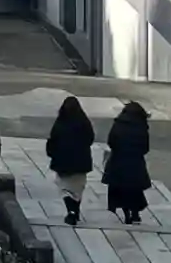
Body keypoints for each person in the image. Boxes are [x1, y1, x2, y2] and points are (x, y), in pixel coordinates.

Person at [45, 95, 95, 227]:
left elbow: (53, 140)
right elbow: (90, 138)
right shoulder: (84, 122)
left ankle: (71, 212)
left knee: (65, 188)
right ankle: (75, 211)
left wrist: (52, 153)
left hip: (63, 163)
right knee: (77, 189)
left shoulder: (60, 123)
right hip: (81, 162)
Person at [102, 101, 152, 225]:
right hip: (135, 162)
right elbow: (145, 147)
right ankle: (135, 213)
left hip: (118, 161)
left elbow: (111, 141)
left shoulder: (118, 124)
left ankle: (127, 214)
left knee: (121, 189)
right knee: (135, 189)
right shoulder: (141, 126)